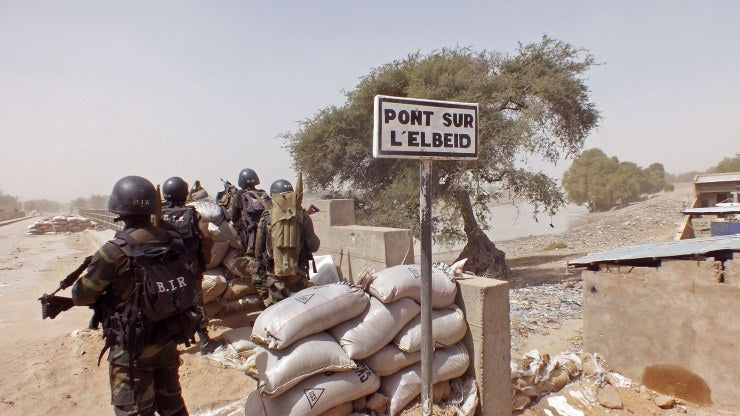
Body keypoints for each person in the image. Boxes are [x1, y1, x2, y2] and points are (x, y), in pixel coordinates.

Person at [72, 175, 191, 416]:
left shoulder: (114, 252)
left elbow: (82, 296)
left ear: (118, 209)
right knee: (173, 406)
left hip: (132, 349)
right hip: (167, 338)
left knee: (134, 410)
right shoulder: (173, 242)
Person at [160, 176, 221, 356]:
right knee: (195, 303)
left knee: (167, 304)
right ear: (184, 194)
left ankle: (169, 345)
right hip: (188, 267)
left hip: (164, 269)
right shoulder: (191, 214)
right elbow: (202, 238)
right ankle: (204, 342)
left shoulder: (157, 215)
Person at [254, 178, 320, 306]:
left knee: (277, 313)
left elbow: (258, 251)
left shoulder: (266, 217)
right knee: (300, 310)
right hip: (298, 274)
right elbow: (314, 246)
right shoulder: (303, 217)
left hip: (275, 278)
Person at [232, 168, 271, 256]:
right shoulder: (263, 193)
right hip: (267, 228)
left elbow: (234, 217)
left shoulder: (240, 194)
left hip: (252, 233)